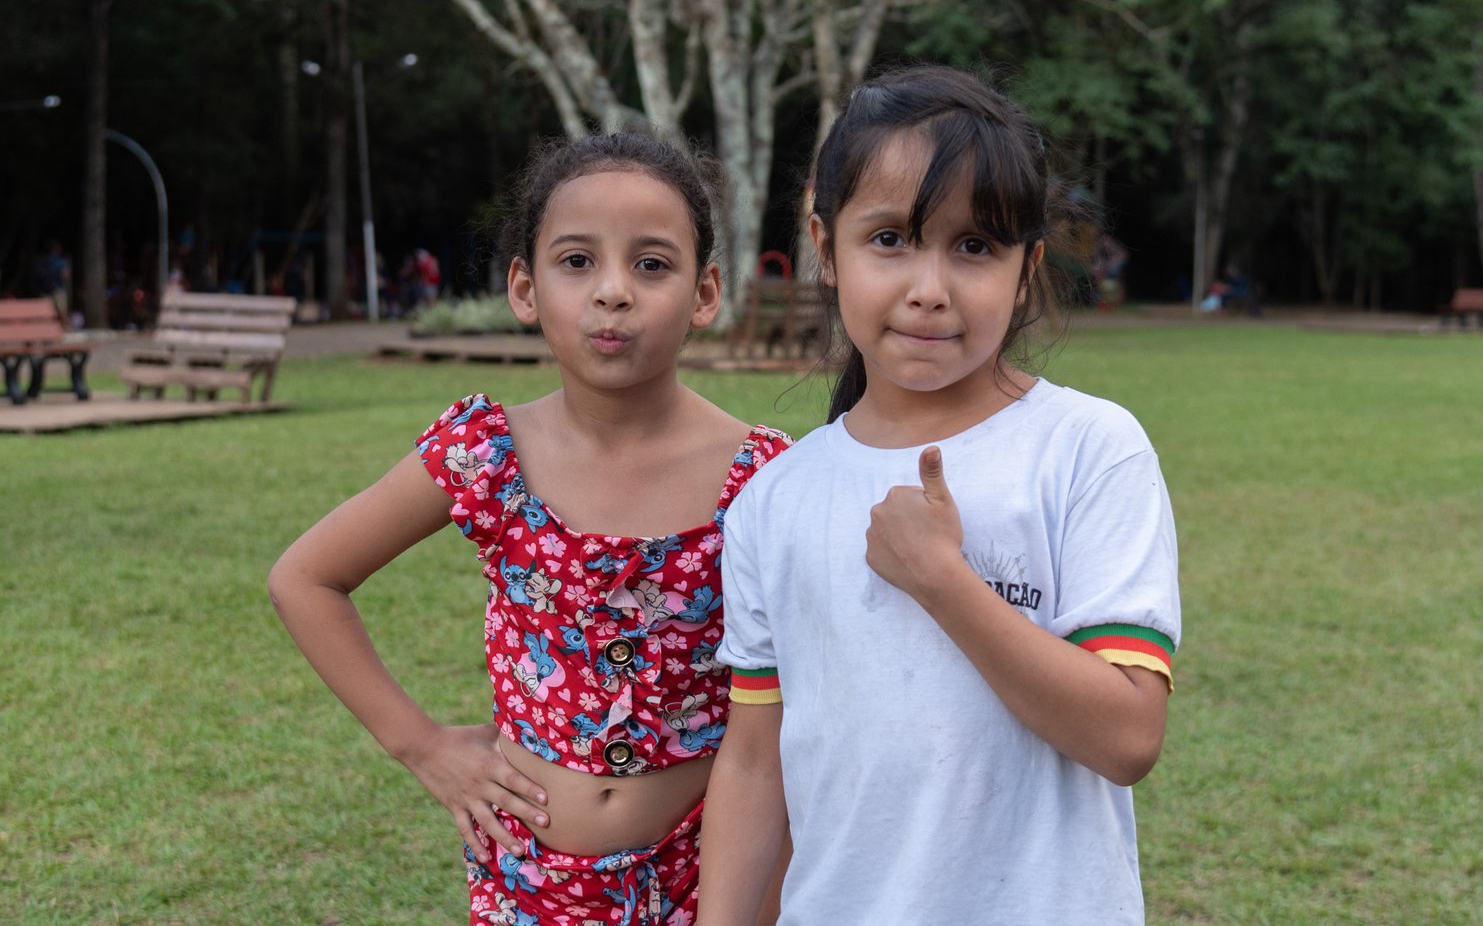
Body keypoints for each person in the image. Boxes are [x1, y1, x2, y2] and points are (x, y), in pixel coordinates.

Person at [699, 66, 1182, 925]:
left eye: (975, 247)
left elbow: (1127, 736)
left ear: (1028, 269)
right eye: (890, 239)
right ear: (825, 248)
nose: (929, 287)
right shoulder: (774, 501)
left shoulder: (1087, 450)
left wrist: (944, 580)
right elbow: (755, 764)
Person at [268, 132, 791, 925]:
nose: (612, 291)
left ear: (705, 292)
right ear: (524, 287)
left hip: (713, 878)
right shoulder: (485, 452)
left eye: (652, 264)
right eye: (577, 260)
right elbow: (305, 578)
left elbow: (798, 705)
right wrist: (423, 745)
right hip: (528, 884)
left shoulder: (765, 477)